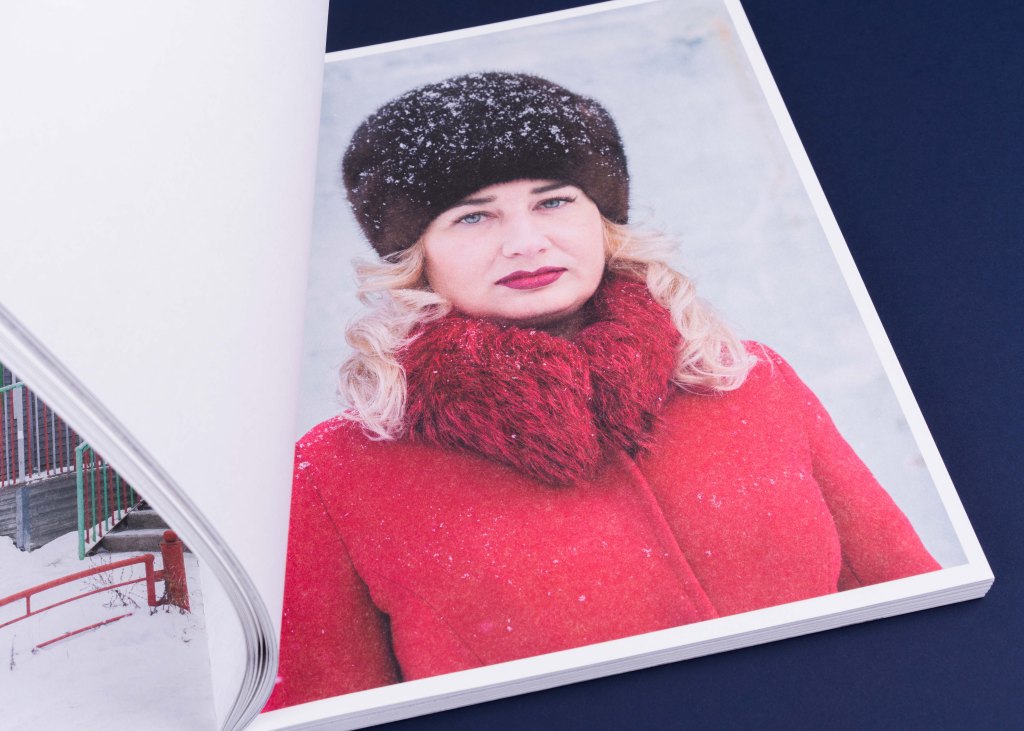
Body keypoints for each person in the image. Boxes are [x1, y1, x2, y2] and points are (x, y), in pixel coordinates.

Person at [265, 72, 939, 710]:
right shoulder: (336, 473)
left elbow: (913, 607)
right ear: (415, 258)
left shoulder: (746, 379)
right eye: (472, 217)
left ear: (603, 221)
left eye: (554, 201)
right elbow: (329, 708)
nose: (526, 242)